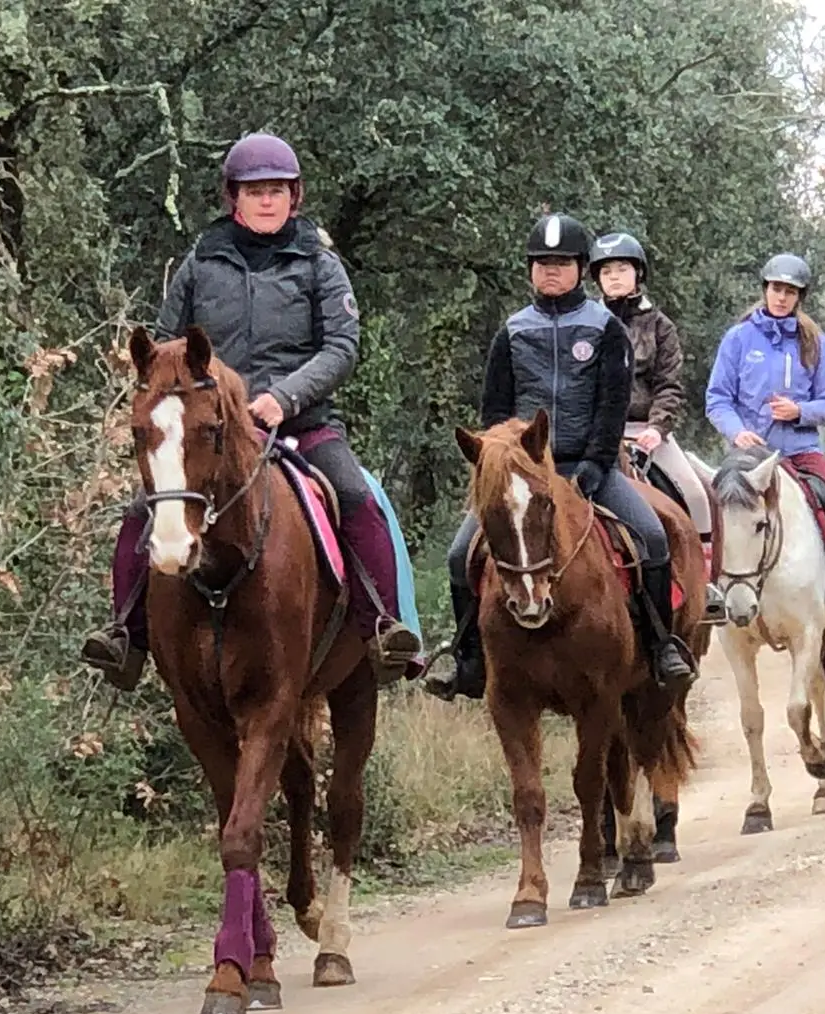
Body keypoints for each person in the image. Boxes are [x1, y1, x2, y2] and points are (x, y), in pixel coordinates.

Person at [81, 132, 421, 689]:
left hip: (302, 424)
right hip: (212, 430)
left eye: (278, 191)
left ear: (295, 196)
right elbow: (167, 347)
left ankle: (382, 627)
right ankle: (126, 636)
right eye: (255, 191)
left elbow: (341, 346)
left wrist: (283, 397)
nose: (267, 201)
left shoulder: (319, 263)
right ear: (233, 197)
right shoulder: (201, 263)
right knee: (142, 510)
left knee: (358, 498)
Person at [423, 213, 698, 701]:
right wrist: (499, 464)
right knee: (458, 553)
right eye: (542, 263)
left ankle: (661, 646)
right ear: (530, 270)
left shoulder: (604, 327)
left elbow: (613, 403)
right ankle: (467, 658)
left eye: (561, 263)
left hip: (588, 467)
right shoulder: (511, 332)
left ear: (578, 268)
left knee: (653, 536)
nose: (551, 271)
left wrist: (595, 463)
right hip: (523, 474)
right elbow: (494, 409)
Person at [705, 252, 825, 634]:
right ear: (765, 289)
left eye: (790, 291)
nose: (781, 297)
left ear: (800, 296)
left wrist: (799, 410)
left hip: (800, 450)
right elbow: (717, 398)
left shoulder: (814, 341)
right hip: (747, 454)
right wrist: (737, 431)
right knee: (713, 507)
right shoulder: (738, 338)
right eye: (776, 288)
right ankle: (710, 591)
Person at [588, 232, 725, 624]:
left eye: (622, 269)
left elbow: (669, 384)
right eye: (607, 271)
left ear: (638, 274)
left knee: (697, 494)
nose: (614, 277)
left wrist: (656, 429)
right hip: (598, 435)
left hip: (648, 430)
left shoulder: (660, 325)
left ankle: (707, 583)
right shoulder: (587, 322)